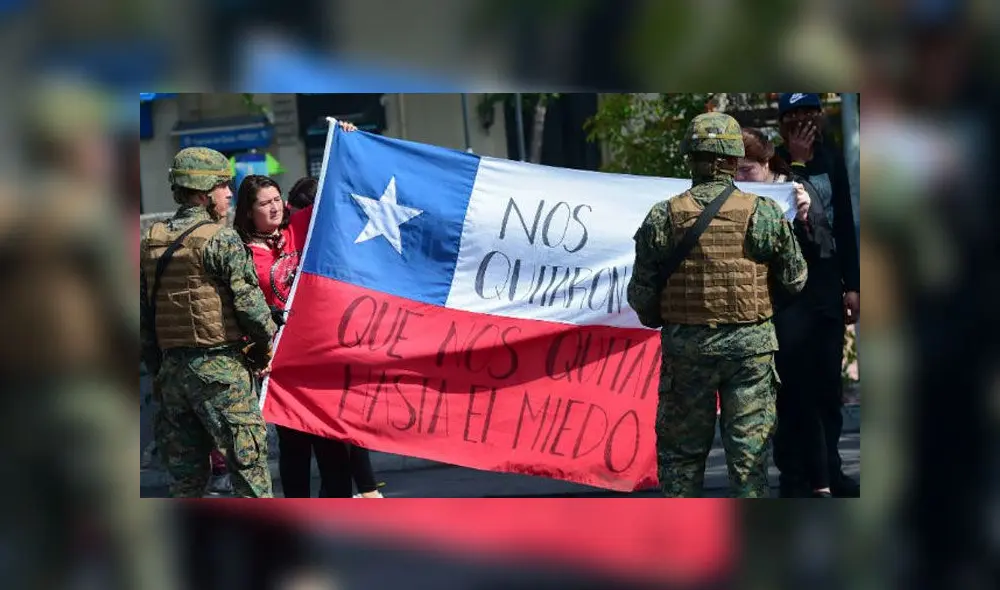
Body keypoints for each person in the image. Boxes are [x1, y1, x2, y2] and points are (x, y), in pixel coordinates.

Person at [627, 112, 809, 498]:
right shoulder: (763, 212)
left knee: (681, 461)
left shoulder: (663, 216)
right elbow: (796, 278)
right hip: (750, 354)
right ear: (732, 158)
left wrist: (669, 319)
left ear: (690, 156)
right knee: (749, 463)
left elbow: (641, 297)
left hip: (687, 354)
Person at [140, 146, 277, 498]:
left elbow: (144, 319)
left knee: (186, 483)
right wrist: (266, 348)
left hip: (172, 377)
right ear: (203, 193)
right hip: (220, 374)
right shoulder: (222, 238)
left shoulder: (151, 241)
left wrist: (161, 367)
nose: (230, 194)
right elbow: (251, 309)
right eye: (223, 186)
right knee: (250, 475)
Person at [738, 127, 839, 498]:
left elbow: (823, 247)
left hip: (799, 314)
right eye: (733, 171)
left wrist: (805, 216)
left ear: (767, 164)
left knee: (803, 399)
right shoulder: (732, 198)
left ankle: (820, 482)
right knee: (772, 404)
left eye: (746, 170)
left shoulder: (794, 189)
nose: (739, 179)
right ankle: (791, 479)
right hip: (758, 313)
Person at [772, 93, 861, 498]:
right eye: (794, 116)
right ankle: (794, 475)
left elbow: (845, 223)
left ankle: (831, 469)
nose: (804, 122)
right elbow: (782, 220)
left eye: (809, 113)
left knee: (827, 387)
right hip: (787, 297)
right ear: (782, 123)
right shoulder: (773, 164)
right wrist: (797, 160)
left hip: (826, 291)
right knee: (792, 389)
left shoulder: (833, 160)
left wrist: (854, 285)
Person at [280, 170, 385, 499]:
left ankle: (363, 491)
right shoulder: (291, 245)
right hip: (303, 358)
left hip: (336, 351)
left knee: (339, 439)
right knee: (310, 445)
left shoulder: (338, 243)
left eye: (298, 211)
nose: (293, 218)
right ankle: (364, 491)